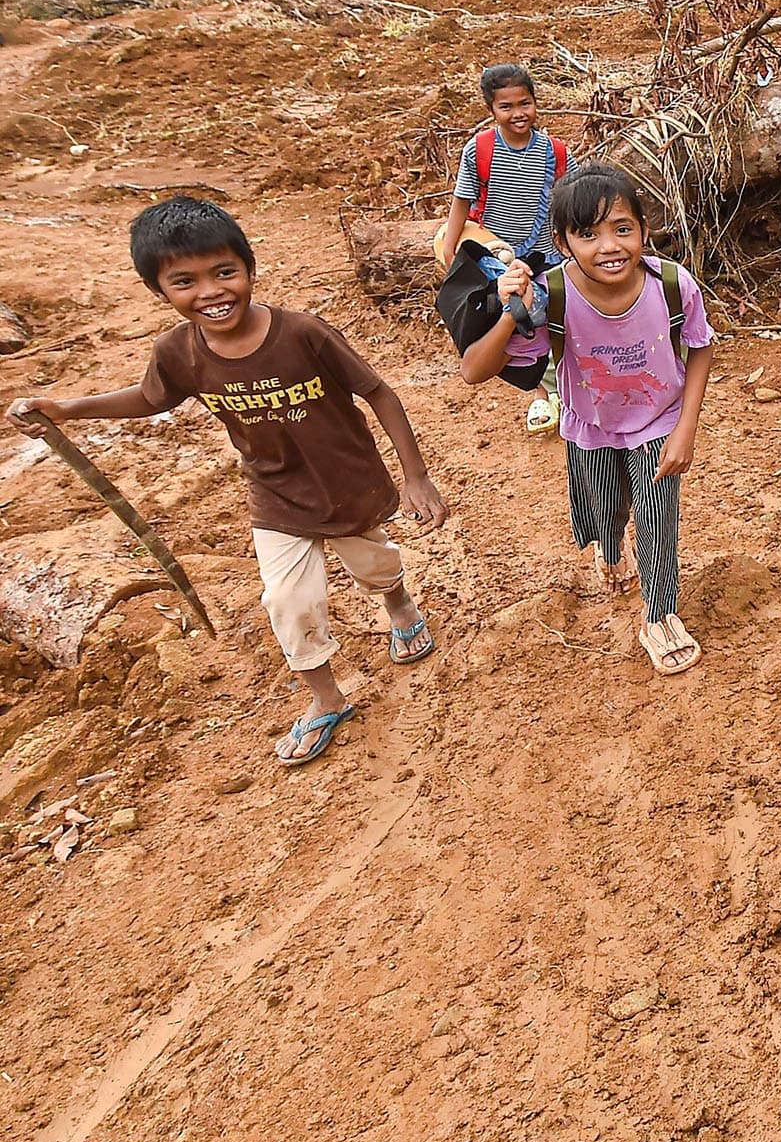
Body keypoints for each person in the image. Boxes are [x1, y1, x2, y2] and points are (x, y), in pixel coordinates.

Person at [9, 198, 446, 767]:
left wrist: (417, 476)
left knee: (373, 565)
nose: (211, 291)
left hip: (348, 483)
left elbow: (379, 392)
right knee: (289, 600)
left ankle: (399, 605)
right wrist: (65, 407)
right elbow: (148, 399)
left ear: (248, 268)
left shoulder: (303, 334)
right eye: (184, 281)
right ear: (159, 291)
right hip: (276, 494)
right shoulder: (178, 353)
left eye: (224, 272)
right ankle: (326, 699)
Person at [461, 163, 713, 676]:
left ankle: (659, 615)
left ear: (644, 228)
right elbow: (473, 371)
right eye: (588, 234)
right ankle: (607, 545)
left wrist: (686, 427)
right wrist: (513, 311)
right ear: (562, 241)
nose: (609, 246)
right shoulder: (551, 294)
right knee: (607, 506)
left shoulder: (670, 283)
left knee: (657, 519)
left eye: (622, 228)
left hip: (658, 420)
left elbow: (700, 347)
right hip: (590, 427)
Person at [440, 63, 567, 432]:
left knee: (551, 321)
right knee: (518, 324)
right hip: (499, 261)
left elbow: (571, 199)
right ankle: (540, 396)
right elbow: (462, 199)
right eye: (506, 107)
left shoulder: (553, 152)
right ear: (491, 110)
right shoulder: (479, 149)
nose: (518, 114)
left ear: (535, 103)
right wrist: (452, 251)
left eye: (524, 103)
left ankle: (562, 392)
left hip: (547, 255)